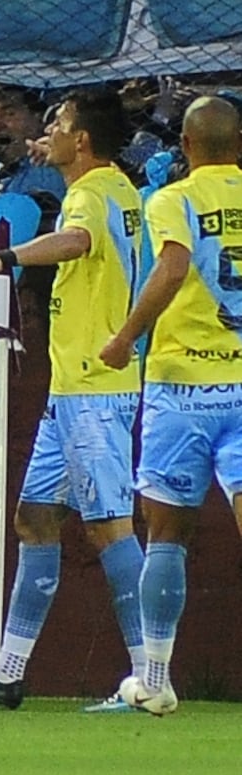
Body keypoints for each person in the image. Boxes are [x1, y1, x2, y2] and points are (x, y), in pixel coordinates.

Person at [0, 89, 147, 711]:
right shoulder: (122, 189)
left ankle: (150, 678)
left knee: (110, 528)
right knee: (34, 519)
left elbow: (77, 241)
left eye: (58, 122)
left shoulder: (89, 193)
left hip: (94, 389)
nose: (49, 130)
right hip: (71, 391)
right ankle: (7, 672)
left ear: (82, 139)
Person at [99, 95, 242, 716]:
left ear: (185, 146)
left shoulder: (173, 200)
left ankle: (155, 679)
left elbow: (174, 265)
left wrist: (126, 335)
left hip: (181, 386)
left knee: (167, 534)